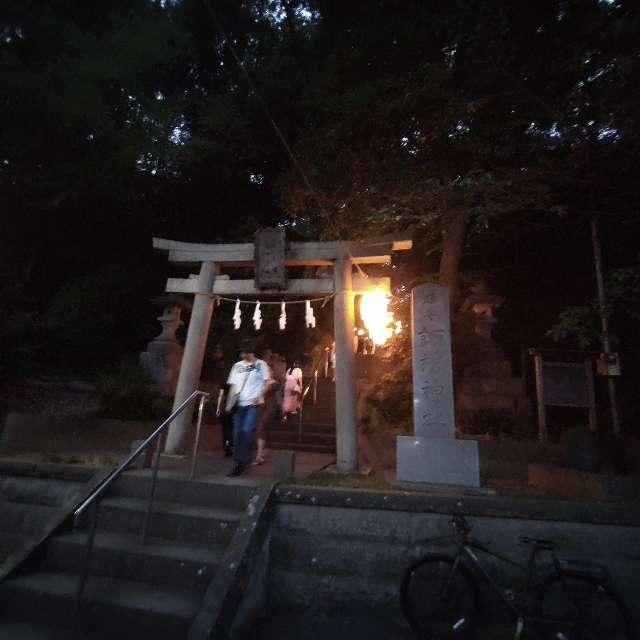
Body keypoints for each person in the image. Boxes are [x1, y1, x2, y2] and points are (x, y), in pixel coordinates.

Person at [225, 339, 269, 477]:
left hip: (254, 403)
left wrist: (260, 395)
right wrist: (229, 403)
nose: (242, 355)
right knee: (237, 433)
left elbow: (266, 383)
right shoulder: (237, 366)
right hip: (239, 403)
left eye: (244, 353)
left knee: (247, 430)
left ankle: (244, 460)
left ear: (250, 352)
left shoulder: (261, 365)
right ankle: (240, 462)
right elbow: (233, 386)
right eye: (242, 353)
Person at [253, 366, 279, 465]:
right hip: (260, 407)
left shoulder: (274, 383)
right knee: (260, 429)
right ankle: (260, 455)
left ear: (272, 372)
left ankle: (259, 455)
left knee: (261, 426)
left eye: (268, 370)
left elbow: (272, 388)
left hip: (269, 408)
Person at [216, 383, 234, 457]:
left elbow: (221, 396)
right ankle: (230, 445)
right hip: (235, 408)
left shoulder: (224, 385)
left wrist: (218, 409)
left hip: (226, 408)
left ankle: (227, 447)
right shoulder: (237, 384)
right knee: (231, 428)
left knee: (226, 428)